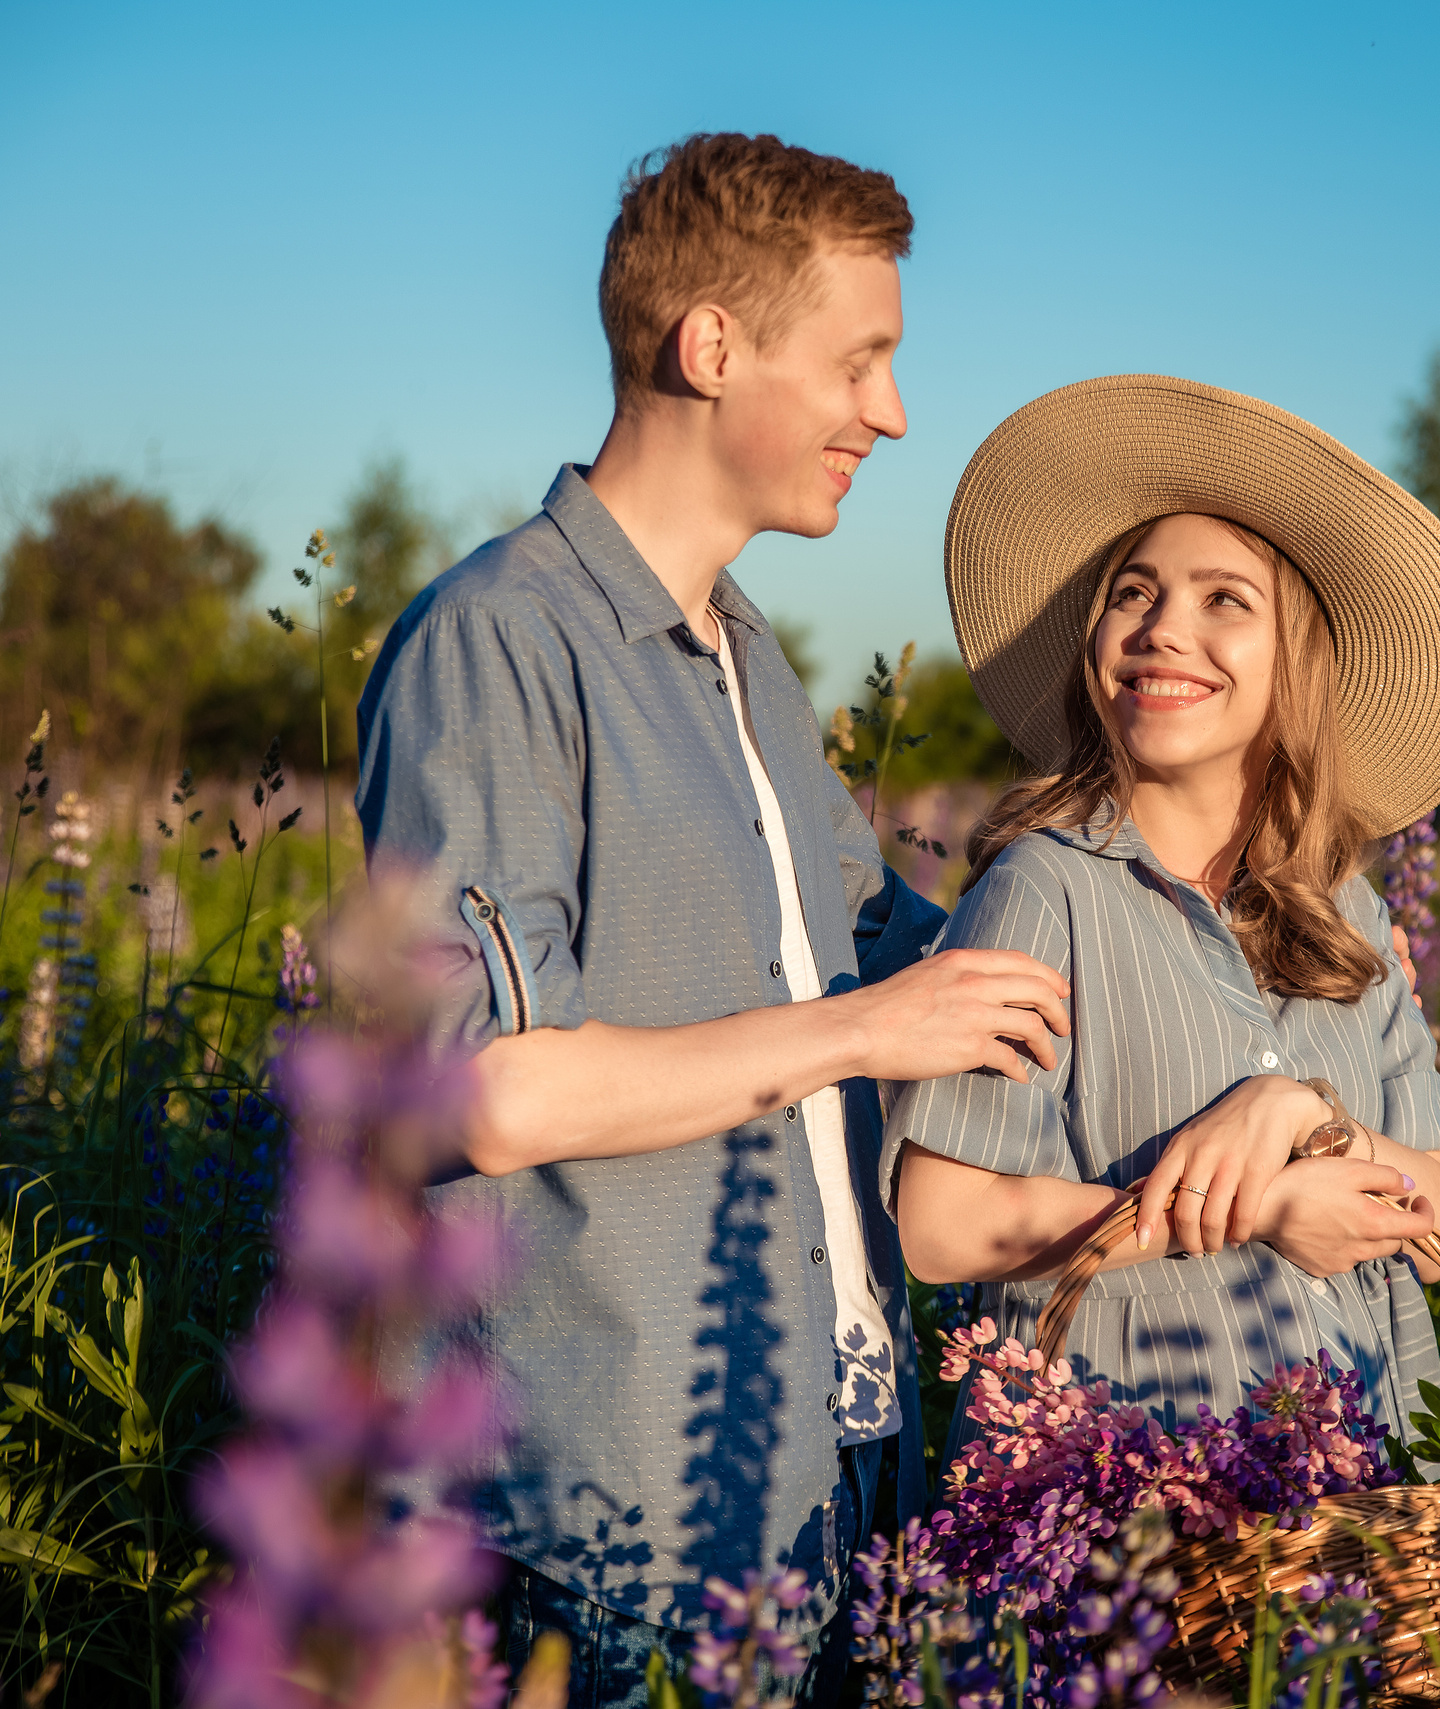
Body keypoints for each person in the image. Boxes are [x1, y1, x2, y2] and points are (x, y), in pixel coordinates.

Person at [353, 133, 1071, 1709]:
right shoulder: (497, 643)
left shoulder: (748, 656)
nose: (890, 412)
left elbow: (896, 948)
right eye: (862, 360)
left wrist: (1151, 907)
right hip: (615, 1516)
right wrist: (864, 1031)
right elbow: (486, 1089)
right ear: (713, 345)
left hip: (839, 1462)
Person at [889, 375, 1440, 1448]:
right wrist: (1256, 1207)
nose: (1164, 628)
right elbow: (943, 1224)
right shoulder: (1046, 886)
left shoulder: (1344, 911)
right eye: (1133, 592)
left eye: (1224, 599)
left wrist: (1304, 1121)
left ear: (1293, 661)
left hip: (1366, 1514)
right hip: (1134, 1506)